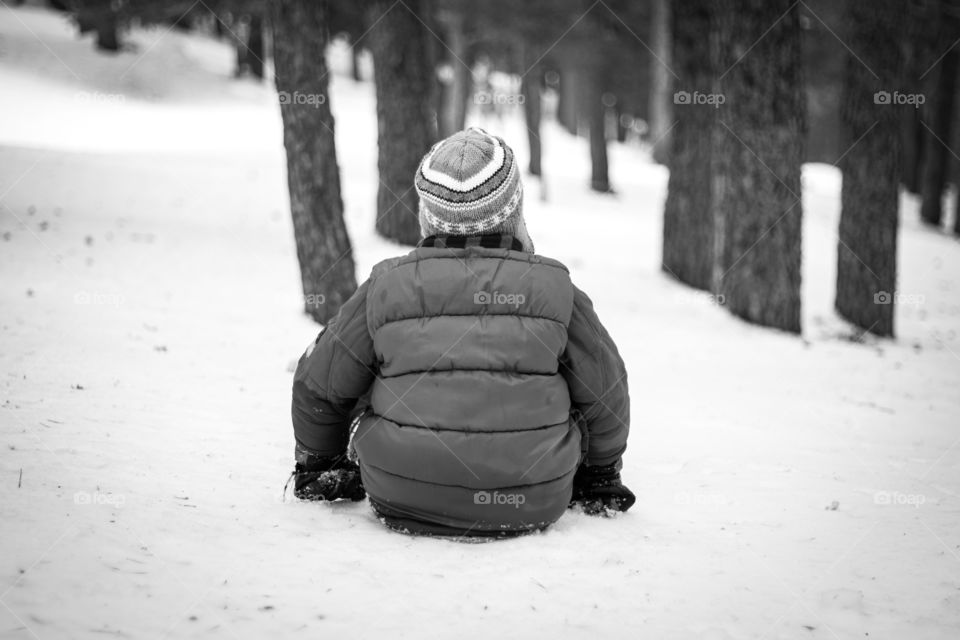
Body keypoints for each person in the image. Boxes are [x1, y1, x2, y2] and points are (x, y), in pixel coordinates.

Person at [289, 127, 633, 537]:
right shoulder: (555, 289)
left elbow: (317, 385)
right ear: (514, 210)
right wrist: (600, 474)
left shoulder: (386, 287)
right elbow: (606, 390)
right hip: (533, 499)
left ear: (427, 214)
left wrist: (322, 465)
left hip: (400, 494)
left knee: (370, 375)